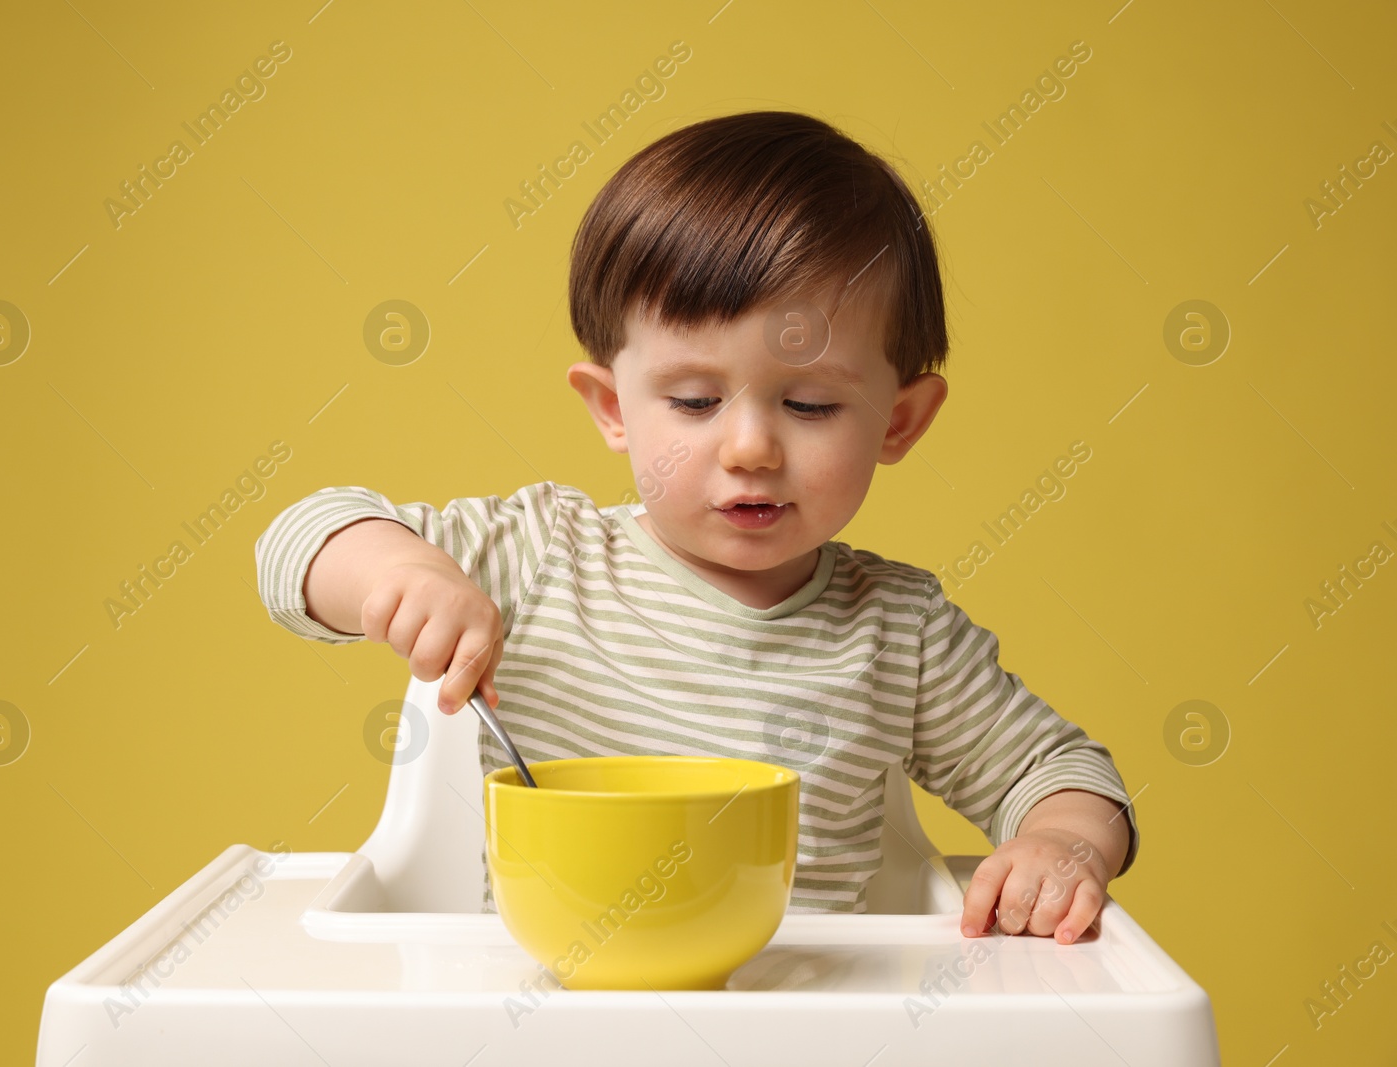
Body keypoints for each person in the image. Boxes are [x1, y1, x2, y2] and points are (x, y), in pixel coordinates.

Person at [254, 110, 1137, 942]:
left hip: (797, 1029)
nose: (750, 445)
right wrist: (399, 575)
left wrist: (1064, 848)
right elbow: (300, 541)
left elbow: (1062, 774)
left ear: (899, 421)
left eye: (811, 403)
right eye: (693, 400)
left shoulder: (899, 633)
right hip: (542, 1020)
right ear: (613, 408)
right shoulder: (539, 554)